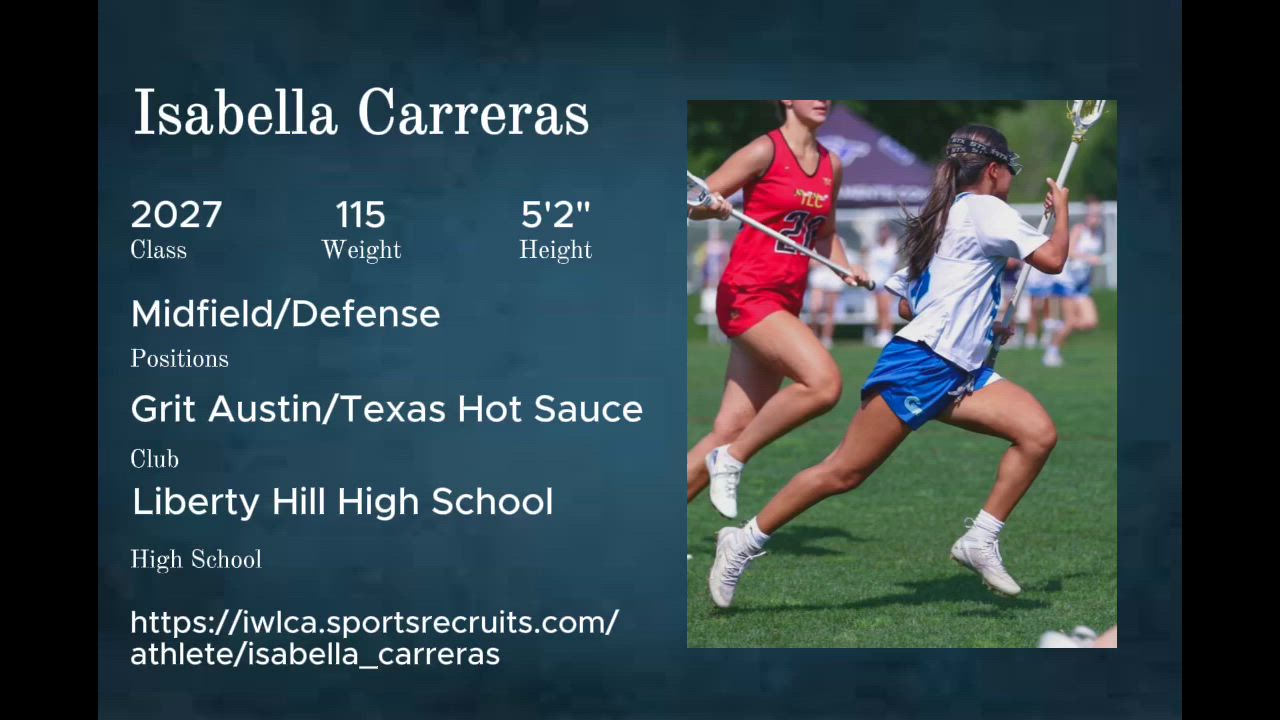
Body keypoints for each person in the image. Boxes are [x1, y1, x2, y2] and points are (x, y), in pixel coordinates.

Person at [708, 124, 1070, 608]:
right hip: (921, 365)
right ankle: (743, 541)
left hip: (959, 369)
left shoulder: (945, 215)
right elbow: (1053, 259)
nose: (1010, 178)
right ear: (993, 170)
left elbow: (906, 305)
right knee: (843, 472)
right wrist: (1061, 211)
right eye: (1009, 170)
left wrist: (981, 324)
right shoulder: (986, 210)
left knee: (1038, 433)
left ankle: (981, 539)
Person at [687, 100, 870, 520]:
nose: (822, 100)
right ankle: (731, 459)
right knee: (823, 384)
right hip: (748, 293)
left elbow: (824, 233)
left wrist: (845, 266)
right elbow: (694, 202)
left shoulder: (831, 165)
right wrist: (713, 207)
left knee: (729, 430)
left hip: (786, 301)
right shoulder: (763, 151)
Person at [1042, 197, 1105, 367]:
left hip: (1082, 284)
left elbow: (1089, 264)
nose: (1095, 218)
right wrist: (1088, 258)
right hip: (1067, 282)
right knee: (1070, 321)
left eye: (1098, 215)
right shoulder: (1079, 230)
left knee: (1091, 322)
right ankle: (1052, 352)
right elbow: (1068, 252)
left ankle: (1057, 328)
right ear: (1087, 215)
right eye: (1093, 215)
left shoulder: (1099, 234)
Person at [807, 236, 851, 349]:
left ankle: (826, 338)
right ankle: (814, 336)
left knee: (830, 310)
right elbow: (811, 261)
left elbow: (842, 261)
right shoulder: (814, 239)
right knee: (815, 308)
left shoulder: (841, 241)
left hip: (833, 278)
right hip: (818, 277)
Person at [865, 222, 901, 348]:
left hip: (888, 282)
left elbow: (895, 265)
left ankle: (887, 333)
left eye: (885, 230)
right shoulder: (874, 247)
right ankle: (881, 333)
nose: (883, 233)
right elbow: (870, 263)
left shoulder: (893, 247)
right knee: (879, 310)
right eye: (882, 230)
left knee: (887, 310)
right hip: (876, 283)